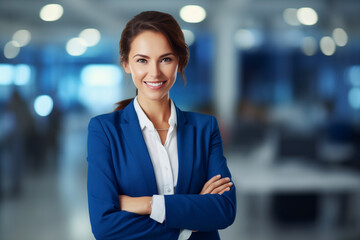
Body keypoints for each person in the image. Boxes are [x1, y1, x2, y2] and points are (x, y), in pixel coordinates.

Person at [86, 11, 236, 240]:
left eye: (165, 59)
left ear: (180, 62)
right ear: (126, 64)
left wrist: (148, 205)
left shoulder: (205, 128)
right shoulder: (105, 131)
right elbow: (105, 226)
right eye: (142, 60)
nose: (154, 72)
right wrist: (190, 221)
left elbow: (224, 210)